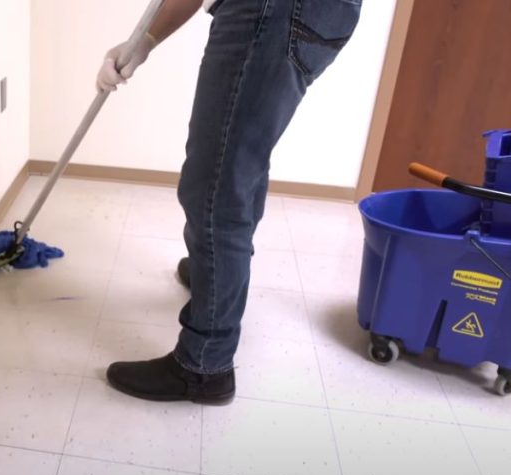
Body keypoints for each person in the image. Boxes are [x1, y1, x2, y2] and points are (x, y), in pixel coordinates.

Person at [99, 0, 361, 404]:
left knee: (216, 182)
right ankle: (215, 284)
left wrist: (144, 41)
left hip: (272, 9)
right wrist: (144, 42)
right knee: (239, 163)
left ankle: (204, 365)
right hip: (314, 13)